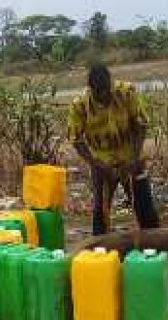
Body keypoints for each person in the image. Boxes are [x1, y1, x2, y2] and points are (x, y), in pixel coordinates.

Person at [68, 64, 159, 235]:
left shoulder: (127, 92)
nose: (103, 97)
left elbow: (141, 126)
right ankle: (100, 253)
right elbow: (77, 140)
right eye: (98, 93)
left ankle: (154, 245)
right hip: (101, 161)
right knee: (100, 211)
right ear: (91, 89)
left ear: (111, 83)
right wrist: (96, 164)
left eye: (106, 91)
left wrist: (133, 158)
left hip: (130, 155)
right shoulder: (79, 105)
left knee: (144, 204)